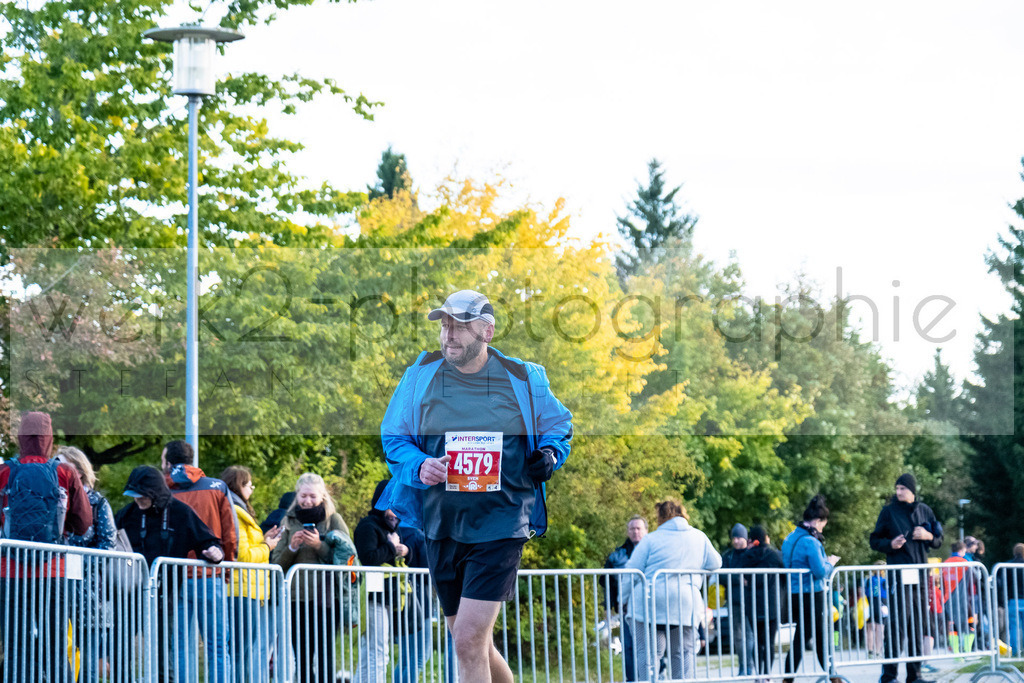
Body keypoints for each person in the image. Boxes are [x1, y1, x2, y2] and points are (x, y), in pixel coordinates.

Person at [377, 289, 573, 683]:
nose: (449, 334)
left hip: (502, 521)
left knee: (467, 640)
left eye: (460, 326)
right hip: (442, 524)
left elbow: (558, 425)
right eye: (445, 325)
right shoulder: (420, 376)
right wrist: (420, 465)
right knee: (470, 642)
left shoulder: (523, 378)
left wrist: (551, 454)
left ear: (487, 331)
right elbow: (394, 438)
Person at [0, 411, 92, 683]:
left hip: (10, 571)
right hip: (53, 571)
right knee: (55, 646)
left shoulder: (5, 472)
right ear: (49, 437)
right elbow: (84, 523)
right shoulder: (65, 472)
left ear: (20, 437)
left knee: (16, 646)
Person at [115, 465, 225, 683]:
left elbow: (208, 541)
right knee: (120, 646)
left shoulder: (180, 512)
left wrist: (215, 552)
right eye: (134, 495)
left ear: (155, 493)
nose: (138, 500)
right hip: (130, 594)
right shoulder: (128, 514)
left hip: (165, 597)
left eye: (142, 495)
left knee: (163, 654)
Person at [161, 440, 238, 683]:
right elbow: (230, 534)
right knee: (217, 645)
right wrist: (226, 568)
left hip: (177, 577)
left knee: (180, 645)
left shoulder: (163, 491)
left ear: (169, 463)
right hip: (210, 574)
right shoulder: (217, 487)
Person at [624, 500, 722, 681]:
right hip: (684, 603)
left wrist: (622, 599)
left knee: (649, 654)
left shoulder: (651, 539)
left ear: (661, 516)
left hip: (650, 603)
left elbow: (631, 571)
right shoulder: (699, 537)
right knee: (683, 653)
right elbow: (716, 563)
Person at [271, 473, 351, 683]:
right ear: (297, 495)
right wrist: (292, 547)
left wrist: (319, 546)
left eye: (313, 496)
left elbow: (347, 557)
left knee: (325, 656)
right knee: (302, 657)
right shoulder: (288, 520)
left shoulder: (333, 519)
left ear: (322, 496)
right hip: (296, 599)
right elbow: (277, 563)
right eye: (303, 496)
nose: (307, 501)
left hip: (326, 600)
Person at [868, 473, 943, 683]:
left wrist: (928, 536)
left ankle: (915, 674)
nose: (899, 492)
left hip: (920, 576)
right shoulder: (889, 511)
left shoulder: (925, 510)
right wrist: (890, 544)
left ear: (912, 490)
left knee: (918, 624)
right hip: (899, 576)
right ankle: (889, 675)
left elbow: (938, 539)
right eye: (897, 488)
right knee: (897, 625)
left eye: (903, 488)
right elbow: (874, 540)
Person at [56, 445, 117, 682]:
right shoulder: (51, 500)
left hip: (89, 593)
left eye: (62, 464)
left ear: (78, 471)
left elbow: (108, 545)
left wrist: (77, 562)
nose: (56, 469)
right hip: (56, 588)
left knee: (89, 661)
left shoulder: (97, 503)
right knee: (57, 656)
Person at [221, 466, 284, 683]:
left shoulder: (236, 509)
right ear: (239, 486)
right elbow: (243, 555)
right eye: (249, 485)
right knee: (241, 651)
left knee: (242, 650)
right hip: (242, 591)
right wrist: (267, 546)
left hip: (246, 590)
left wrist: (264, 540)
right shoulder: (236, 513)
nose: (252, 489)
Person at [781, 494, 840, 683]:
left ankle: (832, 676)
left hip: (795, 593)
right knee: (808, 638)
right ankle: (831, 676)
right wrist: (831, 563)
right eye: (823, 524)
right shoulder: (811, 542)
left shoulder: (790, 538)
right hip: (812, 594)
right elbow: (820, 571)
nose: (822, 528)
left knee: (811, 636)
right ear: (817, 521)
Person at [605, 515, 648, 681]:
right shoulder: (616, 556)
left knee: (651, 647)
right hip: (626, 609)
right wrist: (608, 607)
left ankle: (652, 677)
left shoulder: (654, 553)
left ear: (646, 531)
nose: (635, 532)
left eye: (638, 528)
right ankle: (632, 680)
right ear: (628, 531)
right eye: (632, 528)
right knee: (629, 647)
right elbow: (608, 584)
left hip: (650, 609)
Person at [739, 525, 785, 683]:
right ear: (765, 538)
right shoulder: (774, 555)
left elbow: (743, 577)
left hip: (753, 605)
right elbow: (784, 574)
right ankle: (767, 675)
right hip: (772, 604)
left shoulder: (747, 557)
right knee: (769, 642)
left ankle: (758, 674)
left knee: (757, 642)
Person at [721, 523, 755, 677]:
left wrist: (738, 578)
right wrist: (739, 579)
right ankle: (743, 667)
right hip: (734, 601)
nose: (735, 541)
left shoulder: (752, 553)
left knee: (749, 635)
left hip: (750, 601)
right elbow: (721, 575)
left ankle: (750, 666)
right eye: (734, 538)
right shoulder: (728, 556)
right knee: (738, 636)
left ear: (745, 538)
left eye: (739, 538)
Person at [941, 541, 974, 656]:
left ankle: (956, 654)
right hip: (963, 599)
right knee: (970, 625)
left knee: (953, 628)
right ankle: (967, 652)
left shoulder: (945, 563)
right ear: (961, 551)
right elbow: (973, 579)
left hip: (948, 599)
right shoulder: (965, 563)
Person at [999, 543, 1024, 657]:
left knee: (1014, 627)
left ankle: (1015, 651)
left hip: (1013, 600)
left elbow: (1003, 583)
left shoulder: (1008, 565)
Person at [864, 561, 889, 658]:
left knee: (871, 628)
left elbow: (865, 592)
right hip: (882, 603)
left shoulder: (869, 580)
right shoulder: (884, 580)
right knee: (879, 629)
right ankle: (877, 651)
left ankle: (871, 651)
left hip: (872, 603)